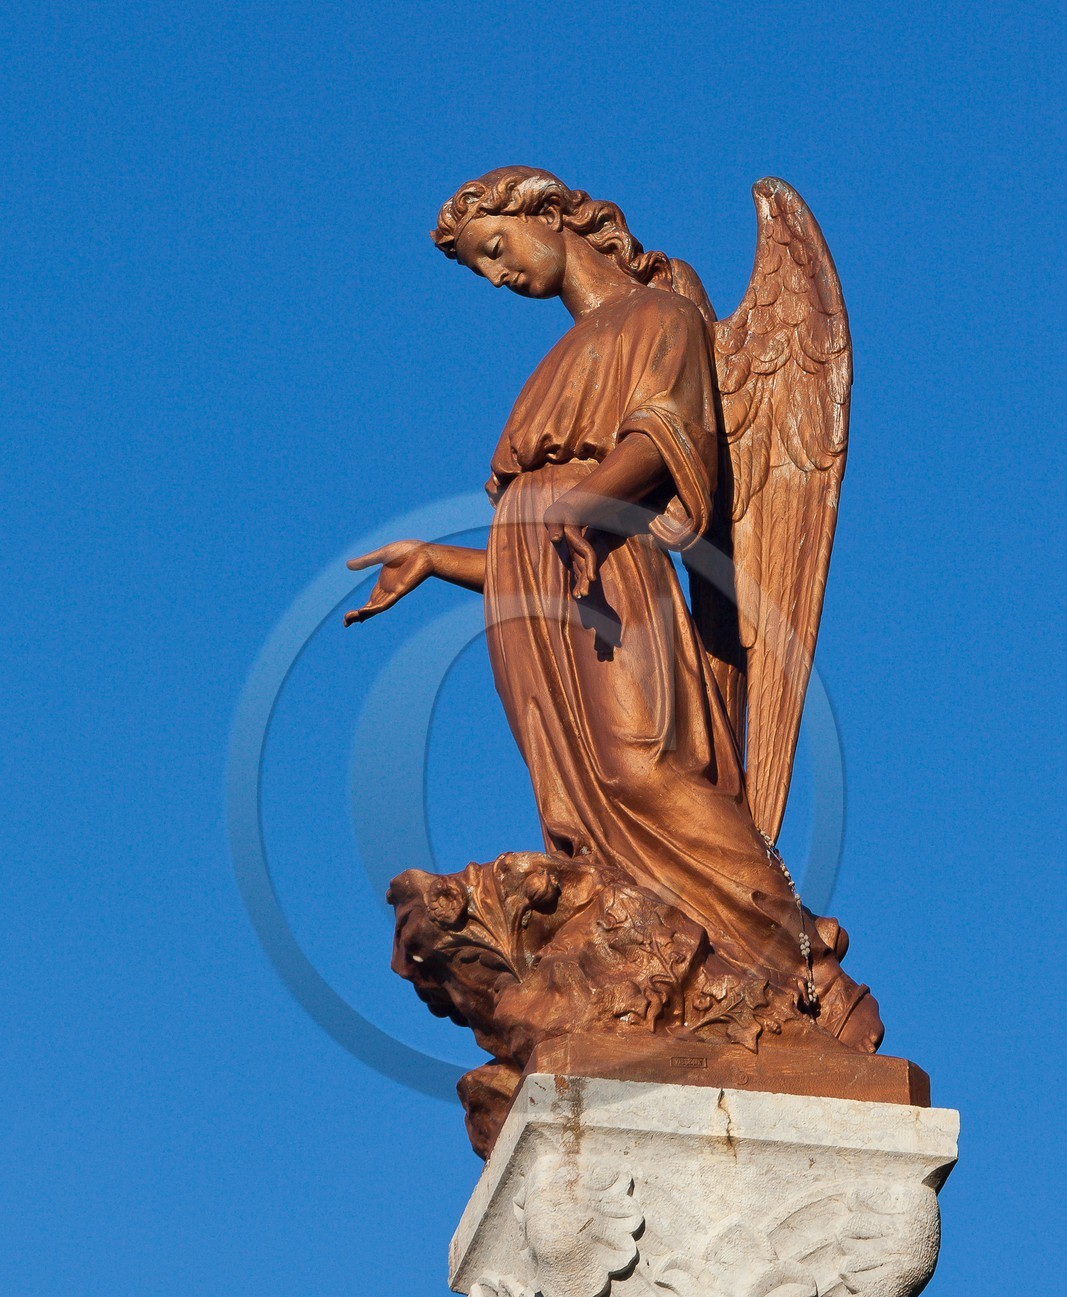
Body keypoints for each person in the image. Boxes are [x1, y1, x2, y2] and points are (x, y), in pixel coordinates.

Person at [346, 167, 882, 1052]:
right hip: (538, 597)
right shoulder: (557, 358)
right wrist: (438, 560)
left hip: (612, 568)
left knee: (645, 768)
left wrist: (585, 505)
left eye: (495, 249)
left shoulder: (658, 318)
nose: (496, 276)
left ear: (550, 216)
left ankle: (803, 967)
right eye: (479, 268)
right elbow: (532, 544)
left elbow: (665, 437)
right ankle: (656, 973)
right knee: (578, 809)